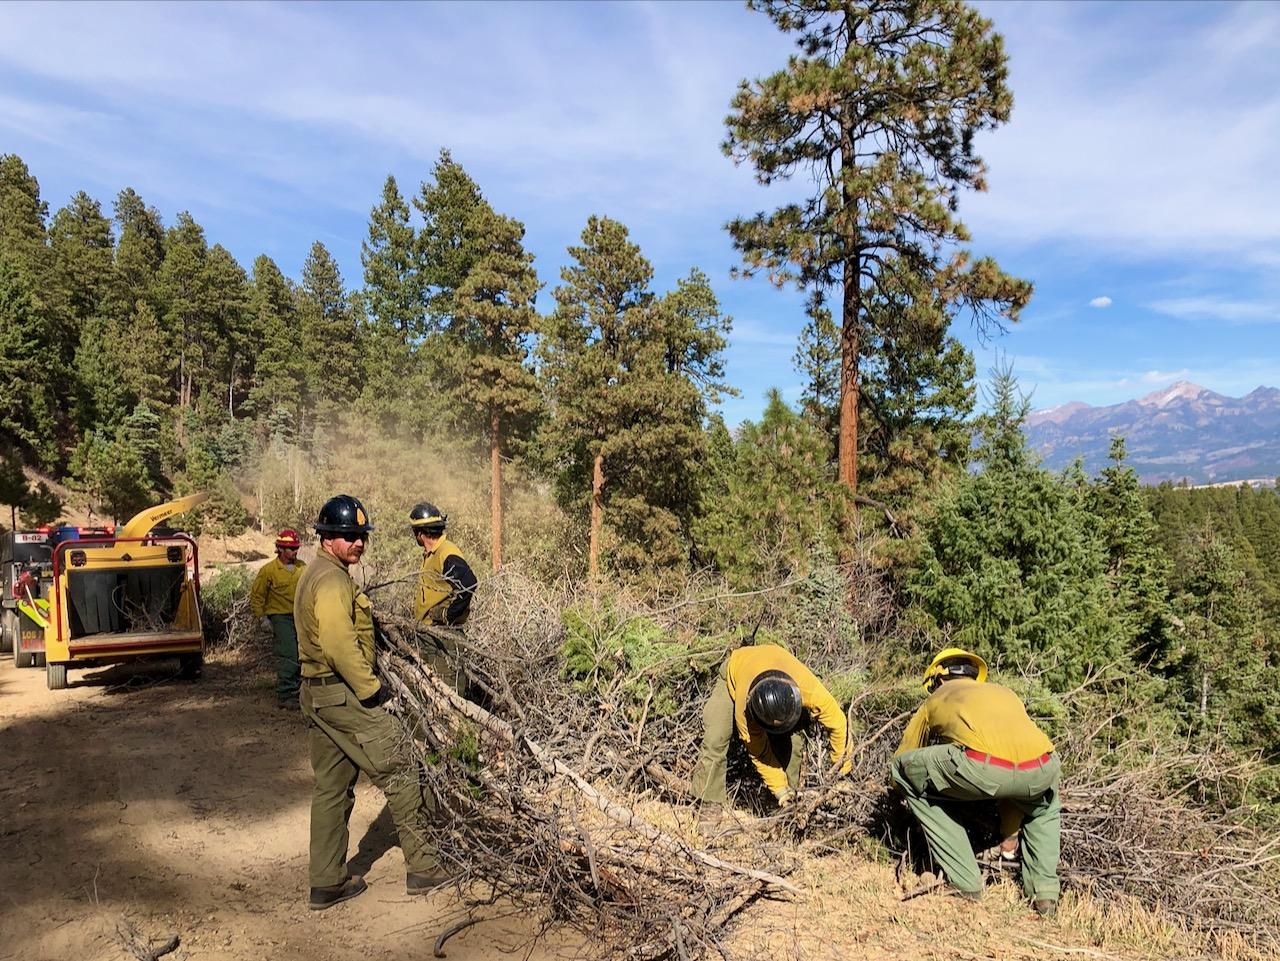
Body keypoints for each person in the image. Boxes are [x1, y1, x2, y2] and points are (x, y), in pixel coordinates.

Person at [294, 494, 444, 910]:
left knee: (332, 786)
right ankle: (425, 868)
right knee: (401, 766)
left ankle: (326, 882)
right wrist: (371, 690)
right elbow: (341, 643)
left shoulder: (319, 573)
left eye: (361, 535)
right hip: (343, 693)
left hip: (318, 694)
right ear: (326, 538)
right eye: (347, 535)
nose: (357, 542)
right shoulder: (331, 580)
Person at [890, 648, 1061, 915]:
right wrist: (1009, 833)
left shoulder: (939, 696)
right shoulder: (1004, 693)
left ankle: (965, 882)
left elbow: (906, 753)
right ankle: (1045, 896)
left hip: (981, 768)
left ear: (939, 680)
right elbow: (1013, 770)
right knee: (1045, 806)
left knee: (902, 770)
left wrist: (896, 796)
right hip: (1043, 766)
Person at [690, 645, 849, 821]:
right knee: (716, 738)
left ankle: (789, 808)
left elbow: (839, 724)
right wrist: (780, 791)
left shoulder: (808, 688)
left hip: (774, 669)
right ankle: (708, 805)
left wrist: (841, 774)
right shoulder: (744, 711)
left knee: (793, 742)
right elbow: (760, 753)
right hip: (733, 674)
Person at [409, 503, 477, 694]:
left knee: (449, 694)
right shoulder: (433, 553)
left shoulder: (446, 552)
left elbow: (469, 583)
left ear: (420, 533)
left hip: (444, 637)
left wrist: (450, 615)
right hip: (430, 634)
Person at [249, 528, 306, 708]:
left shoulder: (302, 568)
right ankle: (286, 694)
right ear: (280, 549)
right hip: (280, 617)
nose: (295, 552)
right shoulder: (268, 571)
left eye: (296, 548)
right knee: (289, 653)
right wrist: (262, 618)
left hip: (300, 616)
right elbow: (257, 596)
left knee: (303, 654)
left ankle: (299, 691)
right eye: (291, 549)